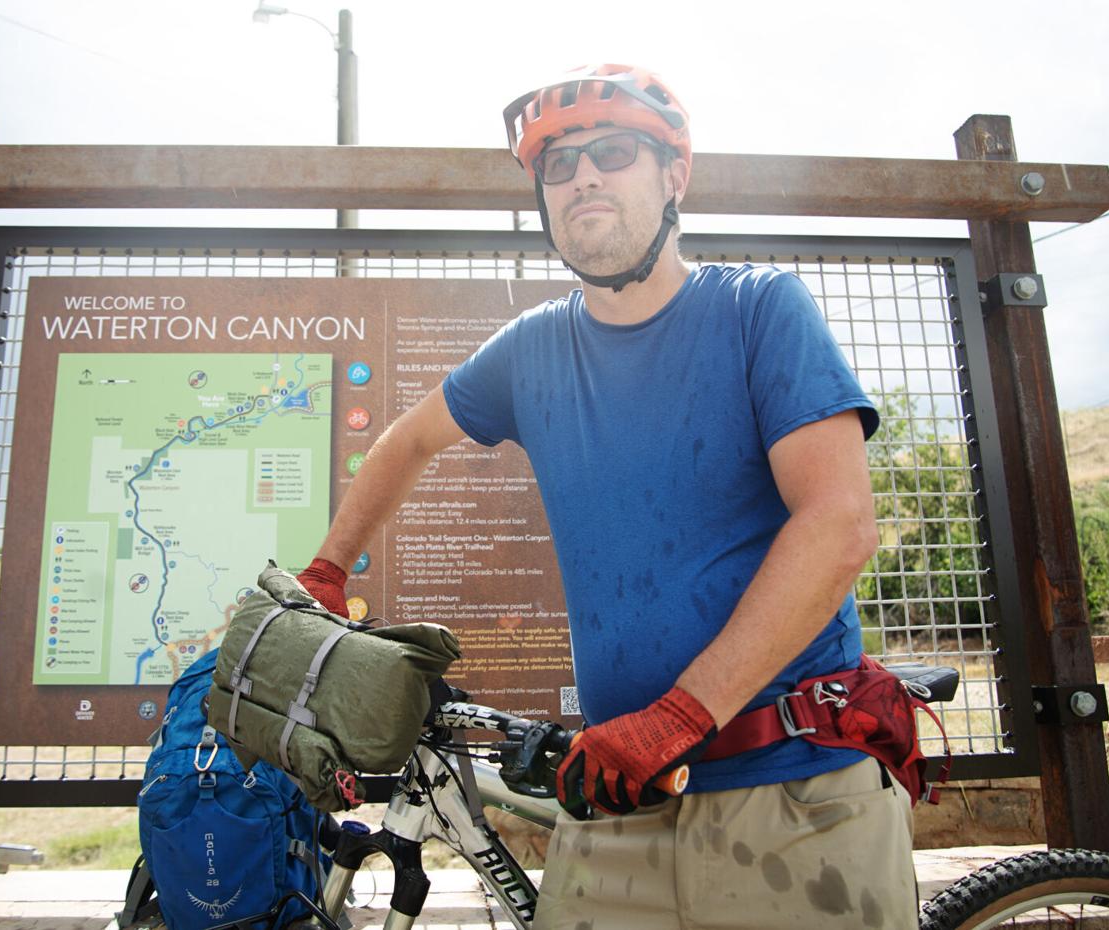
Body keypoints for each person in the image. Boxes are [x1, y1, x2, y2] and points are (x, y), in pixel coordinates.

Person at [297, 63, 917, 929]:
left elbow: (840, 523)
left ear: (674, 175)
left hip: (795, 791)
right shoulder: (531, 350)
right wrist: (327, 570)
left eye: (613, 151)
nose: (582, 174)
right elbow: (406, 441)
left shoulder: (759, 310)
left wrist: (679, 714)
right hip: (616, 800)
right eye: (558, 165)